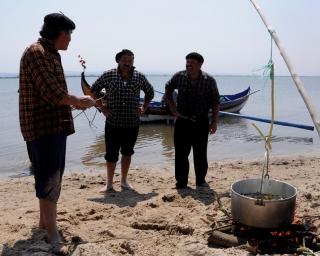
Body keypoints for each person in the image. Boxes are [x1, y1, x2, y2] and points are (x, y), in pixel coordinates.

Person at [19, 13, 96, 249]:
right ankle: (52, 233)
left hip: (52, 125)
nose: (71, 40)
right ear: (60, 34)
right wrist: (81, 101)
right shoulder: (37, 53)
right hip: (42, 126)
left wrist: (75, 100)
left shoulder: (51, 53)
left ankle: (44, 223)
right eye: (70, 34)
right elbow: (52, 93)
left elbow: (54, 93)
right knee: (50, 178)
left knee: (48, 175)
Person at [91, 49, 154, 192]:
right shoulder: (109, 75)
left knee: (127, 153)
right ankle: (109, 183)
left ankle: (124, 181)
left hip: (132, 123)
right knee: (111, 155)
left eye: (131, 60)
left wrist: (143, 107)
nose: (128, 63)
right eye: (125, 60)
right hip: (113, 123)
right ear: (118, 61)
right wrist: (103, 108)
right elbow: (93, 90)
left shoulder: (139, 77)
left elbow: (150, 92)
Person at [165, 52, 220, 189]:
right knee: (181, 154)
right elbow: (168, 88)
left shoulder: (209, 80)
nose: (188, 64)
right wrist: (172, 108)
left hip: (201, 121)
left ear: (200, 64)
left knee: (200, 153)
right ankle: (181, 182)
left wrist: (214, 122)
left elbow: (215, 102)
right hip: (182, 121)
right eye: (187, 61)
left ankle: (200, 180)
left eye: (192, 62)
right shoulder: (179, 76)